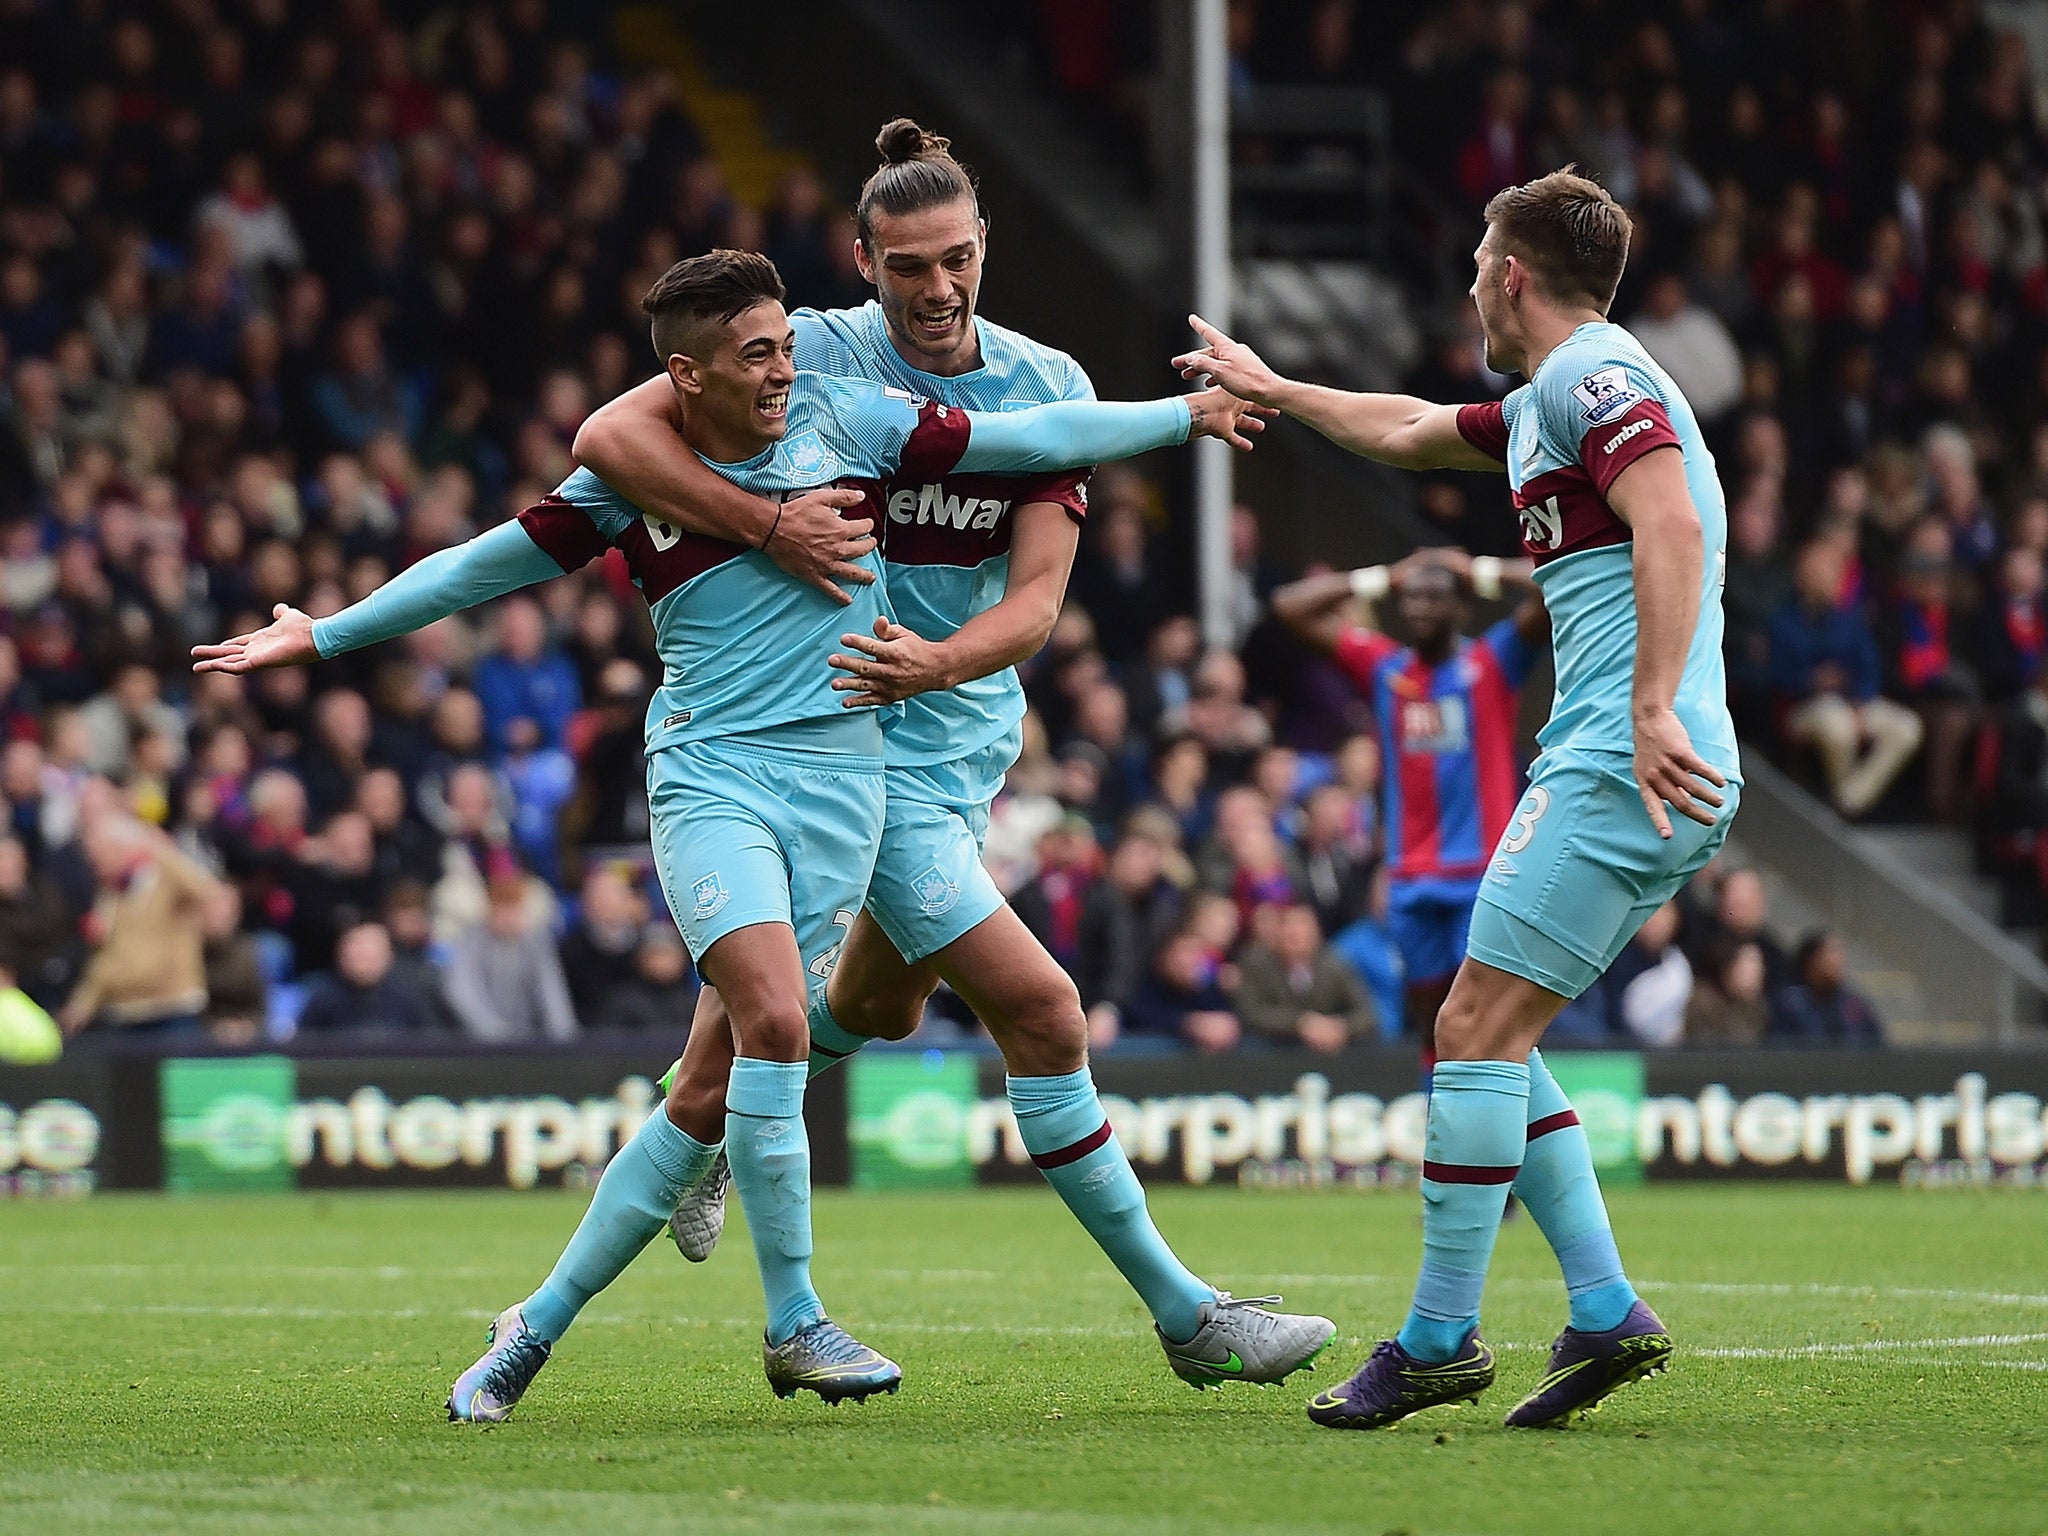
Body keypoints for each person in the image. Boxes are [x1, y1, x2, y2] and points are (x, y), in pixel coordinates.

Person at [196, 240, 1270, 1419]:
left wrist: (1183, 419)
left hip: (848, 791)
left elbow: (1027, 444)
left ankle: (530, 1325)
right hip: (713, 781)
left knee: (724, 1080)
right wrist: (330, 633)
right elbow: (478, 568)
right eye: (755, 355)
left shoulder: (850, 420)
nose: (781, 370)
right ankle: (797, 1320)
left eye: (784, 348)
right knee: (771, 1018)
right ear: (686, 377)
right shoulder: (634, 481)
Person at [573, 121, 1331, 1396]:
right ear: (861, 261)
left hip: (955, 735)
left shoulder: (1046, 386)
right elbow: (612, 434)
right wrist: (762, 525)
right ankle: (1188, 1315)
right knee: (1041, 1011)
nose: (935, 290)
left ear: (987, 248)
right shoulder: (806, 351)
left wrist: (936, 663)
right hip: (833, 743)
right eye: (907, 266)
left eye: (955, 260)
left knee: (869, 1007)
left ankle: (684, 1146)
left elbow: (1034, 606)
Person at [1181, 167, 1741, 1429]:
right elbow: (1401, 427)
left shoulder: (1591, 380)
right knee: (1488, 1028)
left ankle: (1437, 1336)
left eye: (1473, 264)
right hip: (1627, 756)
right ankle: (1600, 1309)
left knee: (1468, 1032)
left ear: (1508, 275)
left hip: (1624, 755)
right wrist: (1273, 388)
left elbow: (1670, 529)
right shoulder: (1553, 398)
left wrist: (1648, 704)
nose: (1465, 287)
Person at [1273, 545, 1547, 1044]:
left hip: (1479, 876)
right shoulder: (1386, 670)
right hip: (1409, 878)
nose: (1420, 607)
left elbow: (1557, 586)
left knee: (1480, 1016)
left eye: (1435, 596)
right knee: (1427, 1017)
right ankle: (1436, 1115)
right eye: (1412, 597)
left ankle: (1493, 1117)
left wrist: (1481, 571)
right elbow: (1289, 606)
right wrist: (1380, 577)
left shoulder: (1491, 663)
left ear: (1462, 606)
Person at [60, 816, 229, 1039]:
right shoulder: (109, 896)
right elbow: (106, 956)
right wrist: (82, 1003)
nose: (94, 864)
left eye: (99, 855)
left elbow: (208, 890)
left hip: (173, 1009)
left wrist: (160, 850)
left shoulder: (167, 878)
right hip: (126, 1013)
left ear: (123, 849)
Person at [1233, 898, 1374, 1052]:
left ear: (1316, 931)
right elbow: (1251, 1012)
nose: (1295, 932)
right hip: (1275, 1044)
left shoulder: (1334, 964)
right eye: (1287, 924)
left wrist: (1339, 1027)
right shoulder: (1257, 963)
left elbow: (1366, 1013)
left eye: (1302, 924)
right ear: (1276, 931)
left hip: (1326, 1046)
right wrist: (1300, 1023)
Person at [297, 920, 440, 1037]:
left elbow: (430, 1051)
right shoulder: (322, 1001)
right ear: (340, 953)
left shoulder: (409, 1000)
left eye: (371, 948)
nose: (363, 954)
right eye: (356, 946)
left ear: (389, 955)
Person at [1770, 928, 1882, 1044]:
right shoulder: (1789, 1005)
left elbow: (1878, 1047)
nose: (1839, 961)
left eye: (1841, 954)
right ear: (1812, 961)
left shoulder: (1852, 1004)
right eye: (1832, 952)